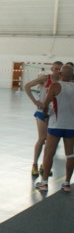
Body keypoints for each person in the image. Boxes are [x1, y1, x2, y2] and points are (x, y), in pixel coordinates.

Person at [35, 64, 74, 192]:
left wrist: (45, 114)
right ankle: (67, 183)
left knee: (49, 153)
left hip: (55, 125)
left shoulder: (55, 86)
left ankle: (45, 182)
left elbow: (45, 105)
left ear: (61, 74)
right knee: (70, 155)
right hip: (71, 126)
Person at [24, 61, 63, 177]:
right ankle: (34, 164)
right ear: (52, 68)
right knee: (42, 138)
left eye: (60, 69)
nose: (57, 71)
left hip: (55, 114)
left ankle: (44, 165)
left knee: (51, 142)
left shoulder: (63, 82)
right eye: (56, 68)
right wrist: (35, 101)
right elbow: (27, 86)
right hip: (42, 112)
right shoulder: (45, 78)